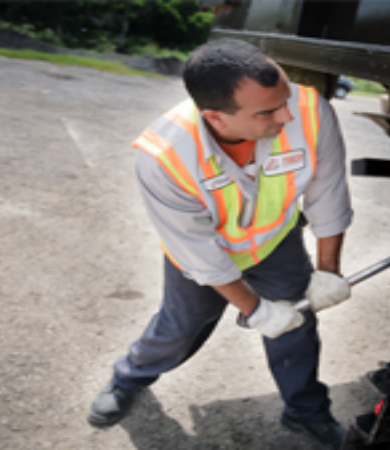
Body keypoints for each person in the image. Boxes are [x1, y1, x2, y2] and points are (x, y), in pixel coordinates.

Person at [87, 38, 353, 450]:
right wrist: (256, 310)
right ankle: (129, 378)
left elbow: (329, 191)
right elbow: (200, 254)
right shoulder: (165, 155)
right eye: (267, 111)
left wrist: (328, 271)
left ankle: (306, 411)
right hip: (204, 252)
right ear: (217, 117)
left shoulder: (309, 109)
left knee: (296, 326)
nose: (286, 114)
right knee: (180, 328)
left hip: (274, 241)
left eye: (284, 99)